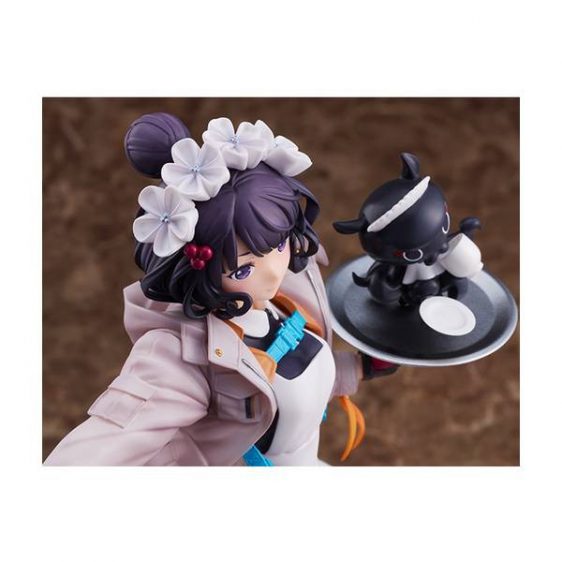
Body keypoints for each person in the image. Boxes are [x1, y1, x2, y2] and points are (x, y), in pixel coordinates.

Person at [44, 113, 396, 466]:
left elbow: (289, 384)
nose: (274, 272)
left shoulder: (285, 297)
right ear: (198, 268)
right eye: (243, 268)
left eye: (278, 245)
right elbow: (107, 440)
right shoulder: (182, 357)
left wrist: (360, 367)